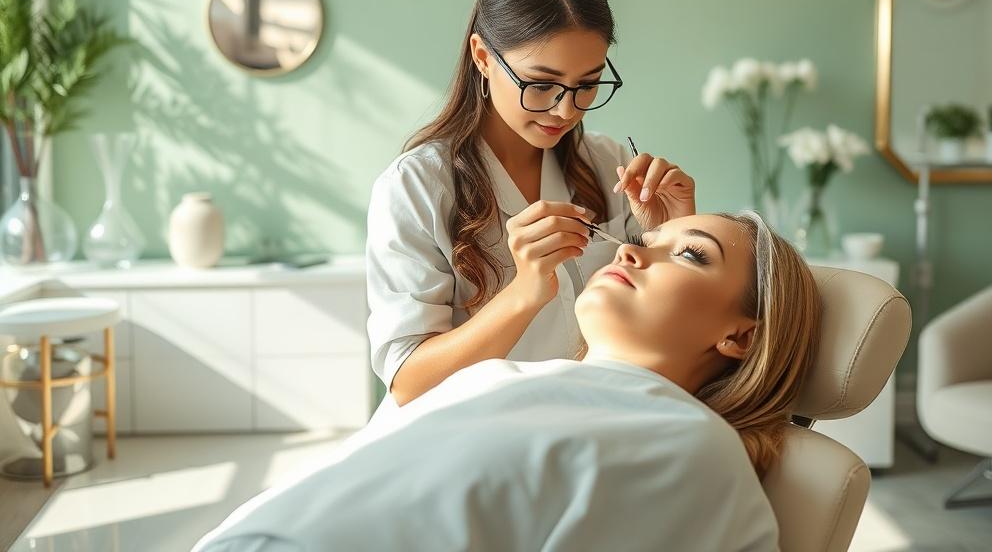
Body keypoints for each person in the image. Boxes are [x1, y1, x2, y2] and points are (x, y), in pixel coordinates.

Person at [194, 212, 822, 552]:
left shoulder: (689, 448)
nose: (629, 252)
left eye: (690, 253)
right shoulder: (504, 377)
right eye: (644, 238)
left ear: (741, 337)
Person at [367, 0, 696, 409]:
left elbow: (674, 336)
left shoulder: (607, 164)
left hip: (580, 426)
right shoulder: (417, 187)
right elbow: (409, 383)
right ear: (482, 56)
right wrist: (524, 292)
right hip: (454, 438)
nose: (566, 110)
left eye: (587, 85)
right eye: (541, 85)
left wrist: (672, 233)